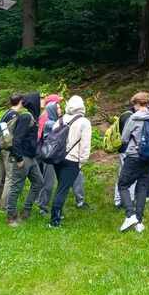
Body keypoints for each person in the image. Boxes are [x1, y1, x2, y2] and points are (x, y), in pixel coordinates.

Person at [118, 92, 149, 233]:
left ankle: (130, 215)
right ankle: (139, 222)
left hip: (134, 156)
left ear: (136, 104)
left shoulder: (133, 118)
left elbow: (124, 138)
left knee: (123, 184)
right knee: (142, 187)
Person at [48, 95, 92, 228]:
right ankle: (54, 221)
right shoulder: (84, 122)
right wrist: (82, 162)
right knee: (62, 189)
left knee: (61, 185)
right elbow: (85, 145)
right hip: (72, 160)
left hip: (57, 158)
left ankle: (58, 214)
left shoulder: (60, 120)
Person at [5, 93, 45, 227]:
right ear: (34, 102)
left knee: (39, 182)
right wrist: (19, 158)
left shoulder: (33, 117)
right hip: (23, 157)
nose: (42, 101)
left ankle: (26, 211)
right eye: (40, 99)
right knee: (16, 187)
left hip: (31, 158)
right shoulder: (26, 117)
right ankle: (11, 217)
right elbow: (16, 139)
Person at [0, 94, 22, 209]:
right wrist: (14, 150)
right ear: (20, 102)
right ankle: (5, 204)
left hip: (0, 148)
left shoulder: (5, 114)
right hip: (8, 149)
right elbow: (11, 135)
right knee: (9, 177)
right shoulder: (15, 116)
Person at [113, 101, 135, 208]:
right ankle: (127, 200)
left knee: (121, 175)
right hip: (127, 149)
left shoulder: (124, 115)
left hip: (122, 149)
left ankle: (118, 199)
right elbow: (127, 136)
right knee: (129, 175)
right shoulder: (130, 117)